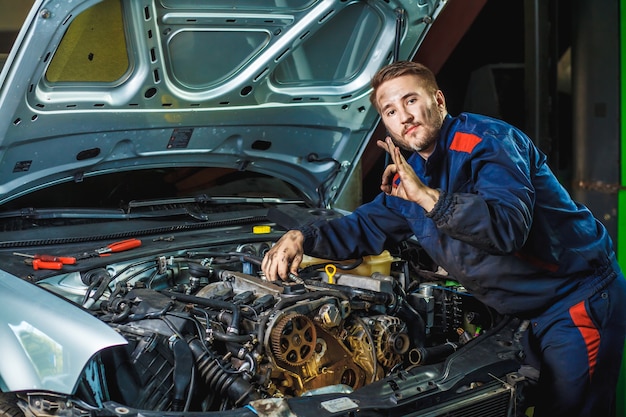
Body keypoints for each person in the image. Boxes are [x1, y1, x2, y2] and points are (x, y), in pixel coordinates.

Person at [261, 60, 626, 416]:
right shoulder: (414, 173)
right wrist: (300, 237)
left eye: (410, 100)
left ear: (438, 101)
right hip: (519, 308)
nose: (403, 116)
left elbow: (507, 228)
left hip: (575, 297)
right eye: (389, 111)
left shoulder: (488, 142)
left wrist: (426, 196)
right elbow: (363, 226)